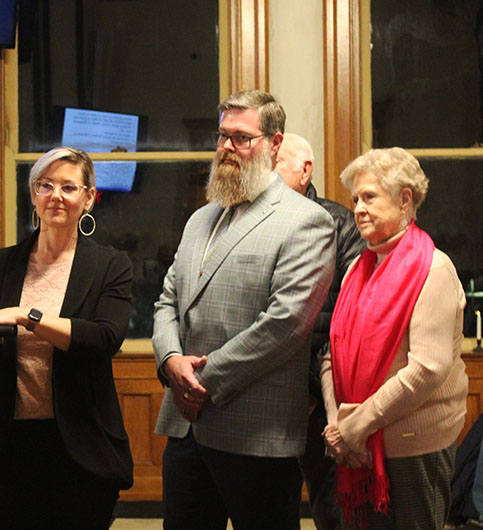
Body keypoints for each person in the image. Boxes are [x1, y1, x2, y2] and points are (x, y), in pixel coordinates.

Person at [152, 90, 336, 530]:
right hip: (185, 427)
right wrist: (171, 360)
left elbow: (286, 325)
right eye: (222, 137)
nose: (227, 148)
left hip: (257, 434)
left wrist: (201, 382)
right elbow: (167, 301)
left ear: (274, 144)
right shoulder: (201, 218)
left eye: (242, 138)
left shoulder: (305, 220)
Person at [0, 147, 134, 529]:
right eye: (45, 185)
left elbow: (103, 338)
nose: (56, 196)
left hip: (83, 445)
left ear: (89, 198)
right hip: (12, 445)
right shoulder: (2, 264)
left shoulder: (110, 265)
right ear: (33, 195)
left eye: (68, 187)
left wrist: (25, 316)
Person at [321, 147, 468, 529]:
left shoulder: (434, 269)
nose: (358, 208)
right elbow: (331, 352)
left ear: (405, 200)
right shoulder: (358, 266)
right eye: (355, 199)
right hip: (356, 443)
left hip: (412, 446)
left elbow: (425, 370)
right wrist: (337, 422)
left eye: (369, 196)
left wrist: (354, 427)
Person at [277, 132, 365, 530]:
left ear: (304, 170)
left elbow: (349, 315)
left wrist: (311, 385)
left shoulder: (340, 224)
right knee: (270, 508)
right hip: (266, 396)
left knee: (332, 510)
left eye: (273, 164)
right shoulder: (251, 223)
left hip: (321, 395)